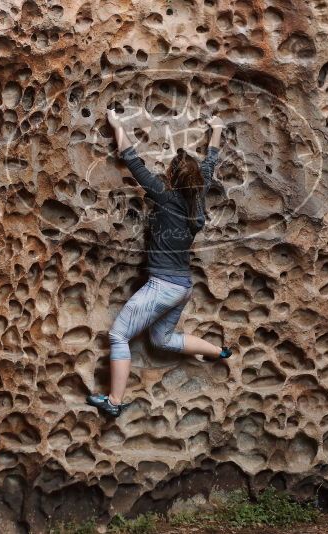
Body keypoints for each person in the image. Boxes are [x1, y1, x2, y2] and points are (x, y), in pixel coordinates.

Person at [86, 108, 234, 418]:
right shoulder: (199, 195)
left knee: (118, 336)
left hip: (163, 286)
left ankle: (113, 401)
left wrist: (116, 124)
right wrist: (217, 126)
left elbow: (132, 158)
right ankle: (219, 352)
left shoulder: (164, 196)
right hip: (182, 286)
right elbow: (210, 161)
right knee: (161, 339)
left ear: (170, 177)